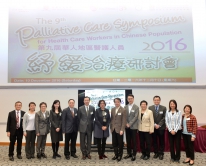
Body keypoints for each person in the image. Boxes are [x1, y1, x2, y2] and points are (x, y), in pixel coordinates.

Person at [148, 96, 166, 160]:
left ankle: (161, 153)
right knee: (154, 141)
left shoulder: (164, 108)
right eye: (155, 100)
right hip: (153, 127)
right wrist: (155, 124)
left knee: (161, 141)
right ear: (153, 101)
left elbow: (164, 118)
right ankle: (156, 153)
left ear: (160, 100)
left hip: (161, 128)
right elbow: (149, 117)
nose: (156, 101)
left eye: (158, 100)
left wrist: (159, 125)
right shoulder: (150, 108)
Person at [110, 98, 127, 162]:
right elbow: (112, 119)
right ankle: (116, 154)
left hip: (120, 130)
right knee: (114, 143)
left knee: (120, 144)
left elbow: (124, 121)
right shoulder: (112, 109)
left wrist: (122, 129)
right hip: (113, 129)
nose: (116, 103)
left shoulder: (123, 110)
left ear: (120, 102)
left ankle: (120, 155)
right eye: (115, 102)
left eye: (118, 102)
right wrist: (111, 128)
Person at [123, 94, 139, 161]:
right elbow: (124, 116)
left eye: (131, 98)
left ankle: (134, 154)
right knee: (128, 141)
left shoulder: (136, 107)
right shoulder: (125, 107)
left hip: (133, 127)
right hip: (127, 127)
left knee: (134, 141)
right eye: (128, 98)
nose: (130, 100)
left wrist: (129, 124)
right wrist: (126, 123)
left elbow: (136, 117)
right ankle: (129, 153)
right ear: (127, 99)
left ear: (133, 99)